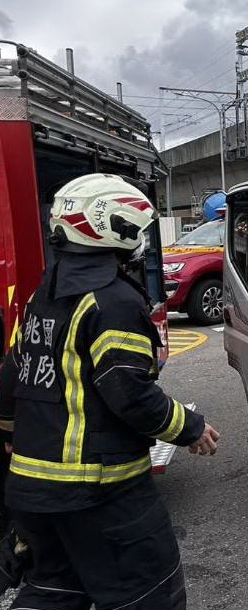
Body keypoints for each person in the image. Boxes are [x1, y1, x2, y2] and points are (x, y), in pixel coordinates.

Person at [0, 173, 221, 609]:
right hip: (100, 491)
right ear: (114, 227)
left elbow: (11, 378)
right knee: (149, 594)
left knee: (55, 591)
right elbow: (131, 394)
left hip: (32, 490)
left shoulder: (43, 294)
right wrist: (191, 428)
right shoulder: (112, 302)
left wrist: (12, 437)